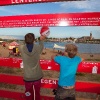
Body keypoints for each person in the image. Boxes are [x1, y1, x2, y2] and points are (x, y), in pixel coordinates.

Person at [19, 32, 46, 100]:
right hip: (37, 75)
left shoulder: (21, 48)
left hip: (27, 77)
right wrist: (41, 40)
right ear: (34, 40)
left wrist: (25, 41)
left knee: (28, 93)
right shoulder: (37, 48)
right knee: (37, 93)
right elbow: (41, 46)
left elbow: (22, 44)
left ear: (25, 40)